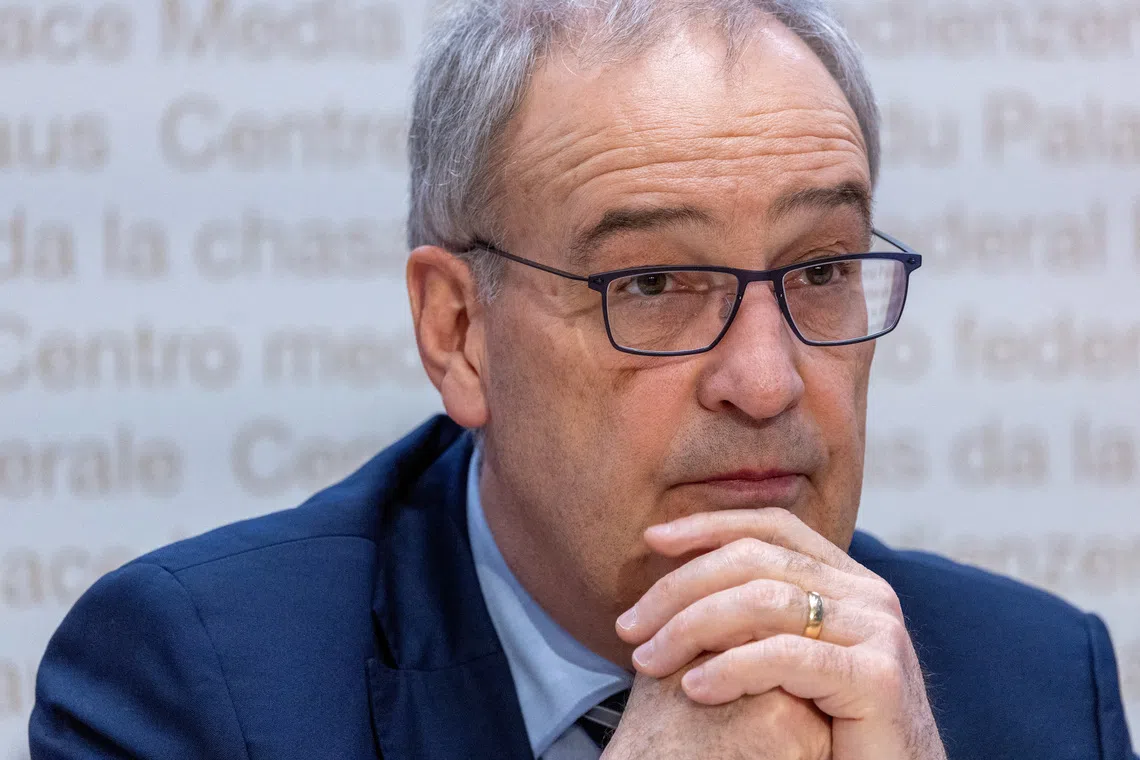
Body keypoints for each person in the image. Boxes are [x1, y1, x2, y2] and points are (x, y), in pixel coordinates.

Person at [29, 0, 1137, 758]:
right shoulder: (201, 689)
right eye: (652, 283)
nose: (765, 380)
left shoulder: (1033, 686)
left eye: (821, 270)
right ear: (459, 332)